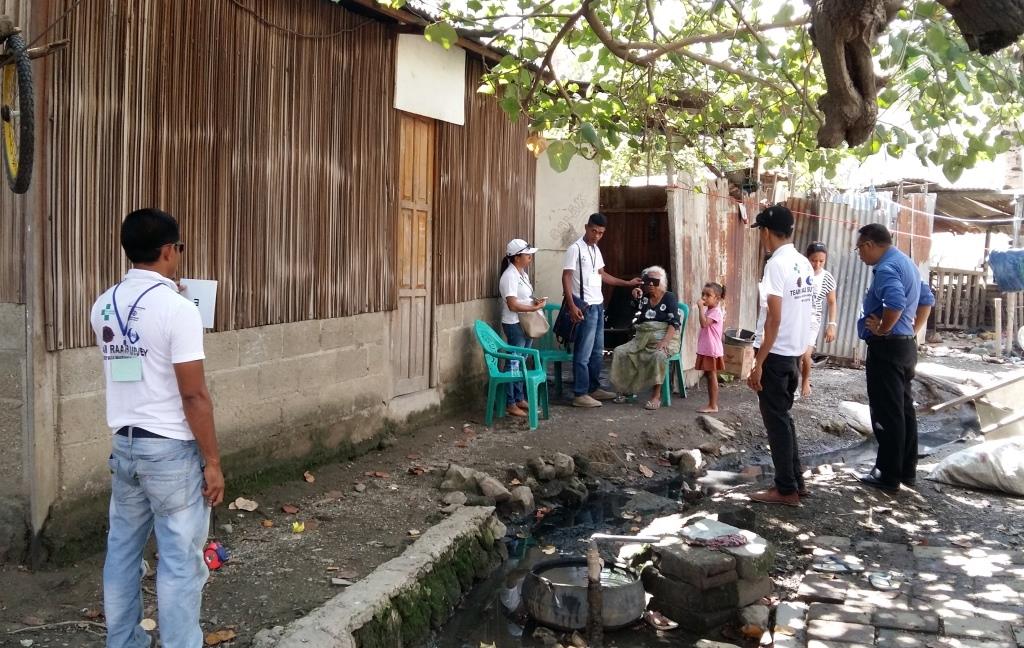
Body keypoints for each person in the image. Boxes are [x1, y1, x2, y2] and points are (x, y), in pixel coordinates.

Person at [91, 209, 224, 648]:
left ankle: (123, 642)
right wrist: (213, 461)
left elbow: (137, 356)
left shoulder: (104, 304)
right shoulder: (179, 310)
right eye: (179, 248)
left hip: (125, 448)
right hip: (170, 452)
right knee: (180, 563)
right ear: (168, 250)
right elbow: (194, 396)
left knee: (123, 554)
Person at [854, 223, 935, 492]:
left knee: (887, 413)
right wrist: (912, 331)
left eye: (859, 249)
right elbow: (927, 299)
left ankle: (887, 474)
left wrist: (883, 328)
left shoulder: (887, 268)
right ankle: (906, 470)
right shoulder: (906, 263)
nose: (860, 255)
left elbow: (896, 303)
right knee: (903, 409)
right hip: (905, 347)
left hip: (887, 348)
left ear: (869, 244)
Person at [746, 205, 815, 507]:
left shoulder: (775, 265)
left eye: (761, 231)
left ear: (766, 232)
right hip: (794, 354)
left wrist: (757, 363)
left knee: (777, 423)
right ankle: (796, 482)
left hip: (775, 355)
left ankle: (785, 489)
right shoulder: (803, 263)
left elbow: (774, 319)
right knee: (784, 420)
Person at [562, 212, 643, 408]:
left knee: (597, 352)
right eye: (594, 231)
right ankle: (580, 393)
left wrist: (626, 283)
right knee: (583, 352)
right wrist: (572, 306)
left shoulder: (596, 250)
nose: (597, 235)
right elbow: (566, 277)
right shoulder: (575, 249)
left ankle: (593, 387)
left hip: (598, 306)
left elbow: (603, 275)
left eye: (601, 233)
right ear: (586, 227)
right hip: (584, 307)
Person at [609, 266, 681, 410]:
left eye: (655, 281)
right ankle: (625, 390)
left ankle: (656, 396)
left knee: (659, 355)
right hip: (642, 339)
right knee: (620, 351)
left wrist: (665, 341)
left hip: (665, 338)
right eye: (647, 281)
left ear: (661, 282)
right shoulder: (644, 297)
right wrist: (635, 297)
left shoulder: (669, 297)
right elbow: (632, 315)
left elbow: (675, 323)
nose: (650, 285)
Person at [498, 238, 547, 418]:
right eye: (527, 255)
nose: (530, 258)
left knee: (522, 360)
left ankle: (519, 398)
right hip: (514, 323)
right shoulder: (509, 276)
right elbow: (512, 305)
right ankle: (510, 402)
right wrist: (533, 308)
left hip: (525, 321)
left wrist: (534, 302)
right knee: (514, 362)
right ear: (517, 257)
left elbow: (522, 298)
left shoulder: (522, 274)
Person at [800, 242, 838, 397]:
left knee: (805, 354)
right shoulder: (800, 272)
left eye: (821, 261)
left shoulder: (827, 277)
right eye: (813, 260)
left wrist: (832, 324)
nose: (817, 264)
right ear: (807, 258)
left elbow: (831, 302)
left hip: (812, 320)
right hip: (796, 318)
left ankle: (805, 381)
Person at [695, 282, 726, 414]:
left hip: (711, 349)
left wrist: (700, 308)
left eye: (708, 295)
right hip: (707, 348)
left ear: (717, 298)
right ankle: (711, 404)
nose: (704, 297)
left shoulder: (716, 312)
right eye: (703, 294)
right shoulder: (710, 310)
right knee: (709, 375)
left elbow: (703, 324)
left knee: (711, 375)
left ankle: (713, 405)